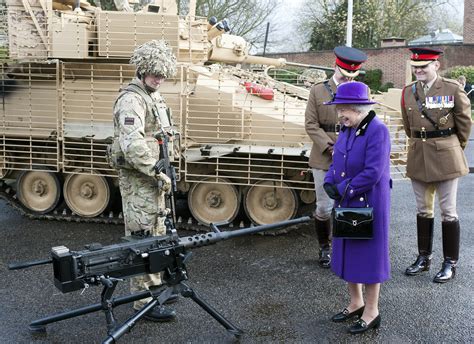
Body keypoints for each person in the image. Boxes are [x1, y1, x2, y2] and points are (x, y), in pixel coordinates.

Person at [110, 39, 178, 321]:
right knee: (143, 240)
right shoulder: (132, 99)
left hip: (155, 178)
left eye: (163, 74)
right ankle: (142, 303)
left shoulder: (153, 96)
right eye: (154, 73)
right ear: (142, 70)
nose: (159, 79)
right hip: (141, 181)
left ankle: (156, 287)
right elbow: (132, 144)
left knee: (158, 235)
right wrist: (155, 170)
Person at [322, 81, 391, 334]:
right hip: (347, 199)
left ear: (359, 108)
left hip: (368, 201)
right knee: (349, 252)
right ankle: (356, 302)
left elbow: (373, 172)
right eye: (339, 109)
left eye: (344, 110)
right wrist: (330, 181)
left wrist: (342, 189)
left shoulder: (377, 130)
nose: (340, 114)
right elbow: (337, 160)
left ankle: (372, 311)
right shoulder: (348, 129)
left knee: (369, 258)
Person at [401, 47, 471, 283]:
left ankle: (450, 262)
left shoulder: (452, 88)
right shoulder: (407, 92)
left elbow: (464, 122)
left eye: (423, 66)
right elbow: (407, 125)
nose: (419, 70)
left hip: (446, 155)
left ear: (436, 66)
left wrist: (453, 147)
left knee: (448, 212)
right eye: (416, 67)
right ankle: (424, 257)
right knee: (423, 209)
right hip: (419, 155)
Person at [305, 46, 367, 268]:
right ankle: (325, 247)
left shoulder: (362, 89)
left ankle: (350, 248)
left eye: (352, 75)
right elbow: (311, 124)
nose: (347, 78)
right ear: (335, 66)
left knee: (351, 203)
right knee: (324, 207)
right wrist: (331, 147)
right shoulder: (318, 91)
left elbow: (366, 122)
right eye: (344, 74)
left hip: (353, 156)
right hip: (325, 156)